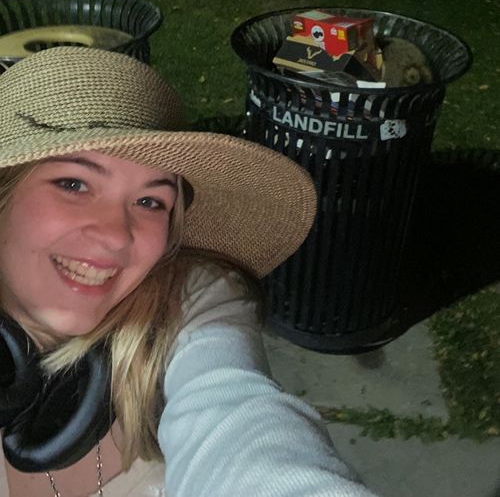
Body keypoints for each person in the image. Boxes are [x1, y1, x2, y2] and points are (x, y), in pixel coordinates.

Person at [0, 46, 380, 497]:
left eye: (150, 201)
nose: (116, 236)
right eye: (73, 184)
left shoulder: (191, 301)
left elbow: (236, 410)